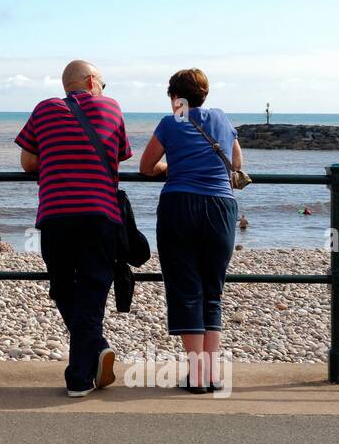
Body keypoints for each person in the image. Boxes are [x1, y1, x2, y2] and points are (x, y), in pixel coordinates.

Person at [17, 59, 131, 398]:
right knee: (94, 287)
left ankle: (90, 360)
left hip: (55, 215)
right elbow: (120, 154)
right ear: (93, 80)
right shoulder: (111, 108)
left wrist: (54, 157)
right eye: (103, 84)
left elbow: (27, 163)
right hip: (100, 215)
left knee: (63, 286)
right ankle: (84, 369)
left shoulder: (43, 109)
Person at [140, 68, 241, 393]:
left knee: (186, 288)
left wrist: (171, 166)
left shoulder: (172, 122)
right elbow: (235, 164)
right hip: (220, 207)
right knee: (213, 290)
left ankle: (195, 376)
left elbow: (146, 166)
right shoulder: (222, 118)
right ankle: (211, 375)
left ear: (175, 97)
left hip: (180, 206)